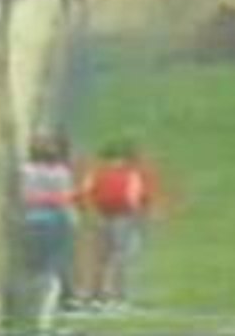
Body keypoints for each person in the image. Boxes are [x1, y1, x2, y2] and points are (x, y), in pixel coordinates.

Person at [81, 139, 158, 311]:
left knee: (100, 258)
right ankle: (118, 295)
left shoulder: (98, 173)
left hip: (102, 216)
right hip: (124, 217)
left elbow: (86, 193)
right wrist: (142, 218)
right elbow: (137, 198)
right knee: (120, 257)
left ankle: (95, 295)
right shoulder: (131, 174)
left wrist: (90, 214)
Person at [20, 134, 78, 332]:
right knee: (52, 269)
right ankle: (45, 316)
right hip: (56, 221)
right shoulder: (61, 173)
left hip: (30, 221)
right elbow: (65, 199)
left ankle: (30, 312)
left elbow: (25, 197)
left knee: (33, 268)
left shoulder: (25, 171)